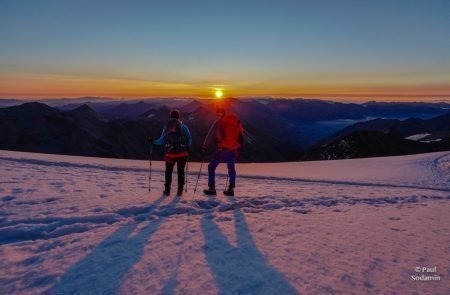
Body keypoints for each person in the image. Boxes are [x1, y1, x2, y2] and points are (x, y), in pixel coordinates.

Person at [202, 107, 244, 196]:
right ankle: (231, 189)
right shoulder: (233, 122)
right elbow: (241, 133)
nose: (218, 116)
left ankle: (212, 188)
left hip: (221, 151)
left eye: (218, 114)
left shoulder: (217, 123)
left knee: (211, 167)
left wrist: (204, 146)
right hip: (232, 150)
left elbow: (209, 135)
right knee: (231, 169)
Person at [151, 110, 192, 196]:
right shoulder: (183, 127)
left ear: (170, 117)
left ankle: (167, 190)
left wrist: (152, 141)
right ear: (178, 117)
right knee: (180, 172)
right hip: (182, 154)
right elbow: (189, 139)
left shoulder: (167, 127)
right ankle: (180, 190)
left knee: (168, 172)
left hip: (170, 154)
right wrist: (187, 148)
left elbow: (161, 140)